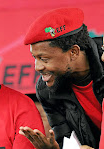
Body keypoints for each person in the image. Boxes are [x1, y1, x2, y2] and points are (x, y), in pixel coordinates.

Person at [19, 8, 104, 149]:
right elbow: (67, 141)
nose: (37, 67)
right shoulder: (46, 89)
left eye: (44, 58)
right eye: (35, 58)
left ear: (73, 52)